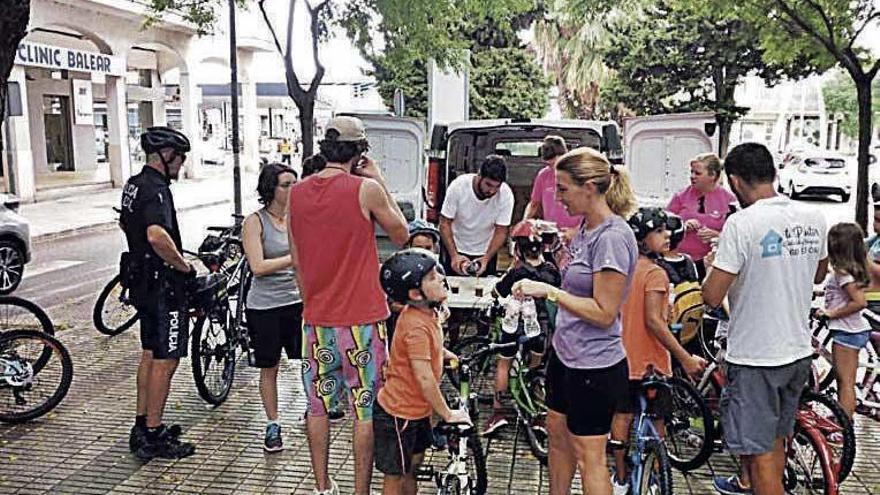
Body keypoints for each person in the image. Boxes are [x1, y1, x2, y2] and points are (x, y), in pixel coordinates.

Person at [288, 116, 409, 495]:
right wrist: (379, 179)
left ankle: (323, 487)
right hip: (363, 320)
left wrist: (311, 303)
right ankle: (360, 491)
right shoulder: (365, 190)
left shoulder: (296, 192)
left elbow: (296, 258)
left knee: (318, 405)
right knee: (364, 408)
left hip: (317, 319)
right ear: (359, 153)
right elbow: (403, 234)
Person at [512, 146, 638, 495]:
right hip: (566, 356)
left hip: (595, 367)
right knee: (557, 439)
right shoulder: (585, 230)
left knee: (590, 457)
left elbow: (603, 312)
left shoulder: (612, 237)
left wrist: (549, 292)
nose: (557, 197)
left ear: (590, 188)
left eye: (563, 189)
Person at [703, 143, 827, 495]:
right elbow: (819, 274)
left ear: (735, 181)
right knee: (774, 443)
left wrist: (712, 269)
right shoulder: (813, 217)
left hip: (757, 357)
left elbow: (712, 296)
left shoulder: (742, 224)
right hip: (798, 352)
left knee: (757, 456)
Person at [610, 207, 706, 495]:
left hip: (619, 359)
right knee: (657, 420)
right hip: (651, 362)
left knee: (622, 415)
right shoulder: (655, 273)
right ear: (642, 238)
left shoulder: (622, 269)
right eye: (659, 232)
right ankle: (653, 473)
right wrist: (685, 358)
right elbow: (654, 321)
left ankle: (621, 477)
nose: (667, 236)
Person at [120, 126, 195, 460]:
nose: (181, 165)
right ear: (167, 156)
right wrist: (185, 268)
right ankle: (153, 433)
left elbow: (126, 225)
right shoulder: (157, 190)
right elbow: (156, 236)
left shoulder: (134, 185)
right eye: (180, 159)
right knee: (167, 359)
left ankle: (143, 423)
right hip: (163, 287)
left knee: (150, 354)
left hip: (140, 283)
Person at [374, 249, 470, 495]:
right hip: (398, 414)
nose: (440, 277)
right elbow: (424, 378)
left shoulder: (428, 313)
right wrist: (447, 414)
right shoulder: (415, 325)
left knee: (412, 468)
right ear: (415, 294)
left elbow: (430, 348)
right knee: (395, 475)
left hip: (417, 411)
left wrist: (444, 354)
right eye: (431, 277)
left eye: (437, 271)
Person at [241, 163, 302, 452]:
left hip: (298, 302)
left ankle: (315, 410)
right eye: (286, 185)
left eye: (295, 183)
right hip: (264, 307)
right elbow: (258, 266)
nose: (292, 190)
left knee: (310, 361)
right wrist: (295, 258)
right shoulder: (255, 222)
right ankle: (273, 423)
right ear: (271, 189)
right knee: (270, 367)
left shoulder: (297, 218)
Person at [484, 219, 561, 435]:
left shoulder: (516, 273)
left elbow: (497, 292)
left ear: (517, 248)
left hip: (513, 327)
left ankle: (498, 413)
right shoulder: (551, 272)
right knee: (536, 369)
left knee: (503, 365)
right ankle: (537, 413)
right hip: (541, 329)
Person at [817, 223, 871, 419]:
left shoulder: (842, 273)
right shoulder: (848, 272)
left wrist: (832, 314)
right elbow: (841, 294)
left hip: (847, 332)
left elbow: (859, 302)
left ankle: (844, 424)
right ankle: (842, 414)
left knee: (845, 381)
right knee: (843, 380)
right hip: (850, 330)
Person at [439, 155, 515, 276]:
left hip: (485, 251)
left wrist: (486, 259)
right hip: (454, 247)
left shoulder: (506, 194)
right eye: (488, 185)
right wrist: (454, 256)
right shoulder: (458, 186)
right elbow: (444, 223)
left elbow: (501, 231)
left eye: (497, 186)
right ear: (479, 175)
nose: (492, 191)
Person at [666, 153, 738, 279]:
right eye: (691, 172)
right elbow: (663, 225)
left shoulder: (729, 200)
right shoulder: (680, 196)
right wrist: (682, 226)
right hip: (680, 260)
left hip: (711, 263)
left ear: (713, 175)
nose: (692, 177)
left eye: (697, 173)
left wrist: (717, 235)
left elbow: (737, 236)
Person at [524, 135, 581, 234]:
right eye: (549, 165)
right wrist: (524, 224)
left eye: (556, 163)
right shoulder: (543, 175)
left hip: (578, 234)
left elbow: (593, 210)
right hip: (552, 234)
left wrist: (576, 231)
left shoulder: (580, 175)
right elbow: (534, 204)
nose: (554, 168)